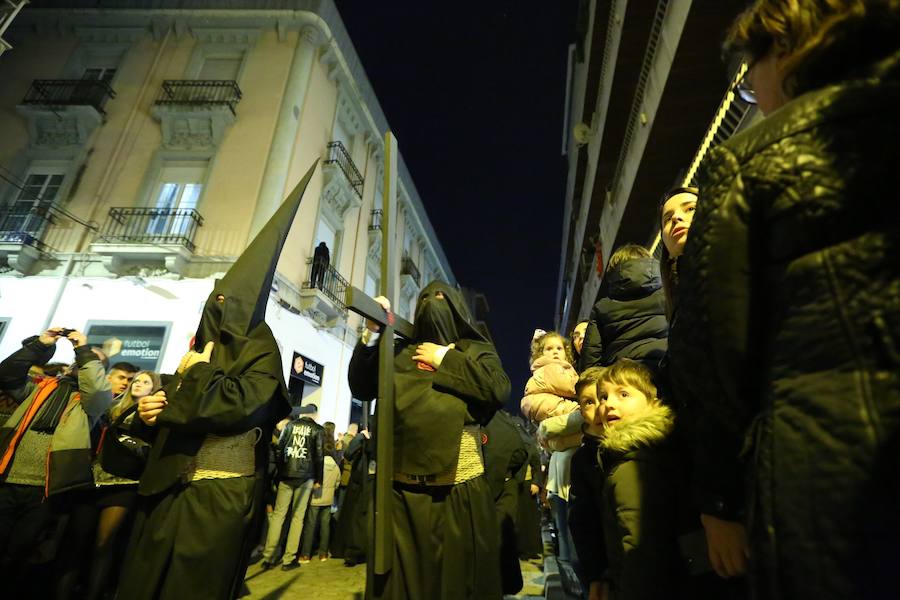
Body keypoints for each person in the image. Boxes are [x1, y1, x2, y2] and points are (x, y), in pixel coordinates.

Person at [668, 2, 900, 598]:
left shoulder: (750, 160)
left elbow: (712, 352)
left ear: (790, 46)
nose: (748, 83)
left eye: (753, 62)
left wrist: (718, 496)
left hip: (819, 475)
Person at [116, 162, 317, 599]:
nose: (219, 308)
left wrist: (198, 372)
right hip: (166, 489)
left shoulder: (261, 348)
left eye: (230, 302)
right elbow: (171, 406)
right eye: (215, 300)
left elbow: (240, 405)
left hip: (220, 495)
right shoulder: (198, 347)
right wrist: (148, 414)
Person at [349, 280, 510, 599]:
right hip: (401, 495)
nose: (431, 302)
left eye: (440, 297)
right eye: (424, 298)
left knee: (456, 584)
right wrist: (372, 332)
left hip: (457, 492)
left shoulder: (475, 350)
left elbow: (497, 389)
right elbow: (362, 385)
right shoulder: (398, 350)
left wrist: (445, 359)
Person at [0, 329, 112, 591]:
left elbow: (96, 390)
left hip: (46, 487)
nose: (79, 361)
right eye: (78, 359)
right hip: (7, 477)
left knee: (20, 553)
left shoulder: (92, 403)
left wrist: (83, 348)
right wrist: (40, 345)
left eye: (89, 361)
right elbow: (6, 374)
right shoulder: (40, 387)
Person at [580, 244, 668, 371]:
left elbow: (591, 360)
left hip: (622, 379)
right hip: (667, 370)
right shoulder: (669, 293)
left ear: (614, 270)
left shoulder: (602, 307)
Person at [260, 403, 325, 570]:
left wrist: (282, 470)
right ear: (315, 415)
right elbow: (318, 455)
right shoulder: (317, 430)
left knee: (278, 515)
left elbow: (280, 449)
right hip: (306, 476)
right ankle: (289, 559)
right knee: (298, 517)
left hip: (286, 475)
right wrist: (319, 478)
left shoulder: (289, 426)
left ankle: (269, 557)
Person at [567, 367, 607, 599]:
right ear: (581, 411)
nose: (600, 408)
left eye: (603, 397)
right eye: (589, 402)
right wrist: (596, 575)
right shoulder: (582, 460)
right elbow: (583, 522)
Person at [520, 330, 582, 451]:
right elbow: (569, 386)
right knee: (585, 417)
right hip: (552, 407)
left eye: (559, 348)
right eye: (549, 349)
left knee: (564, 446)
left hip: (547, 408)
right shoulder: (550, 367)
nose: (555, 352)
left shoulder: (558, 367)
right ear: (541, 354)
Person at [298, 435, 340, 562]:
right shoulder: (335, 466)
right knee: (325, 526)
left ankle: (306, 554)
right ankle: (323, 553)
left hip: (315, 499)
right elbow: (337, 483)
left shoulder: (317, 465)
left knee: (310, 526)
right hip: (328, 500)